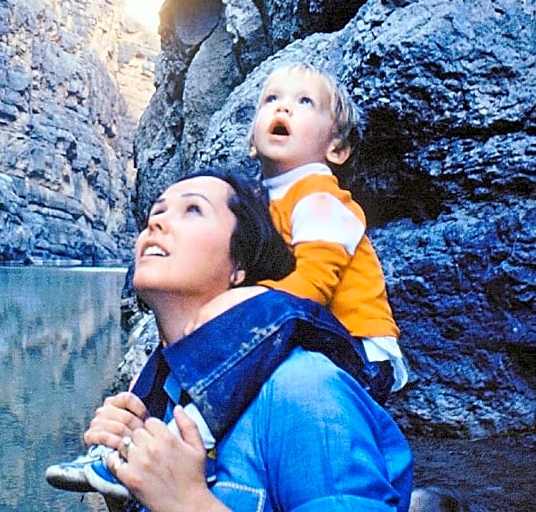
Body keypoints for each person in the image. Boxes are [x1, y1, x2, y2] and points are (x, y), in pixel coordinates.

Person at [48, 168, 413, 511]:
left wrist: (191, 504)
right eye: (154, 214)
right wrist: (129, 476)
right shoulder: (160, 396)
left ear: (239, 266)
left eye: (193, 209)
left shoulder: (304, 390)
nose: (155, 222)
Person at [190, 62, 408, 401]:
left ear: (336, 148)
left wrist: (234, 303)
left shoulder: (319, 198)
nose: (283, 106)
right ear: (252, 142)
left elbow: (311, 288)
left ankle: (196, 428)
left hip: (359, 351)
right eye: (271, 99)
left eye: (305, 101)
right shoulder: (258, 203)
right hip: (303, 334)